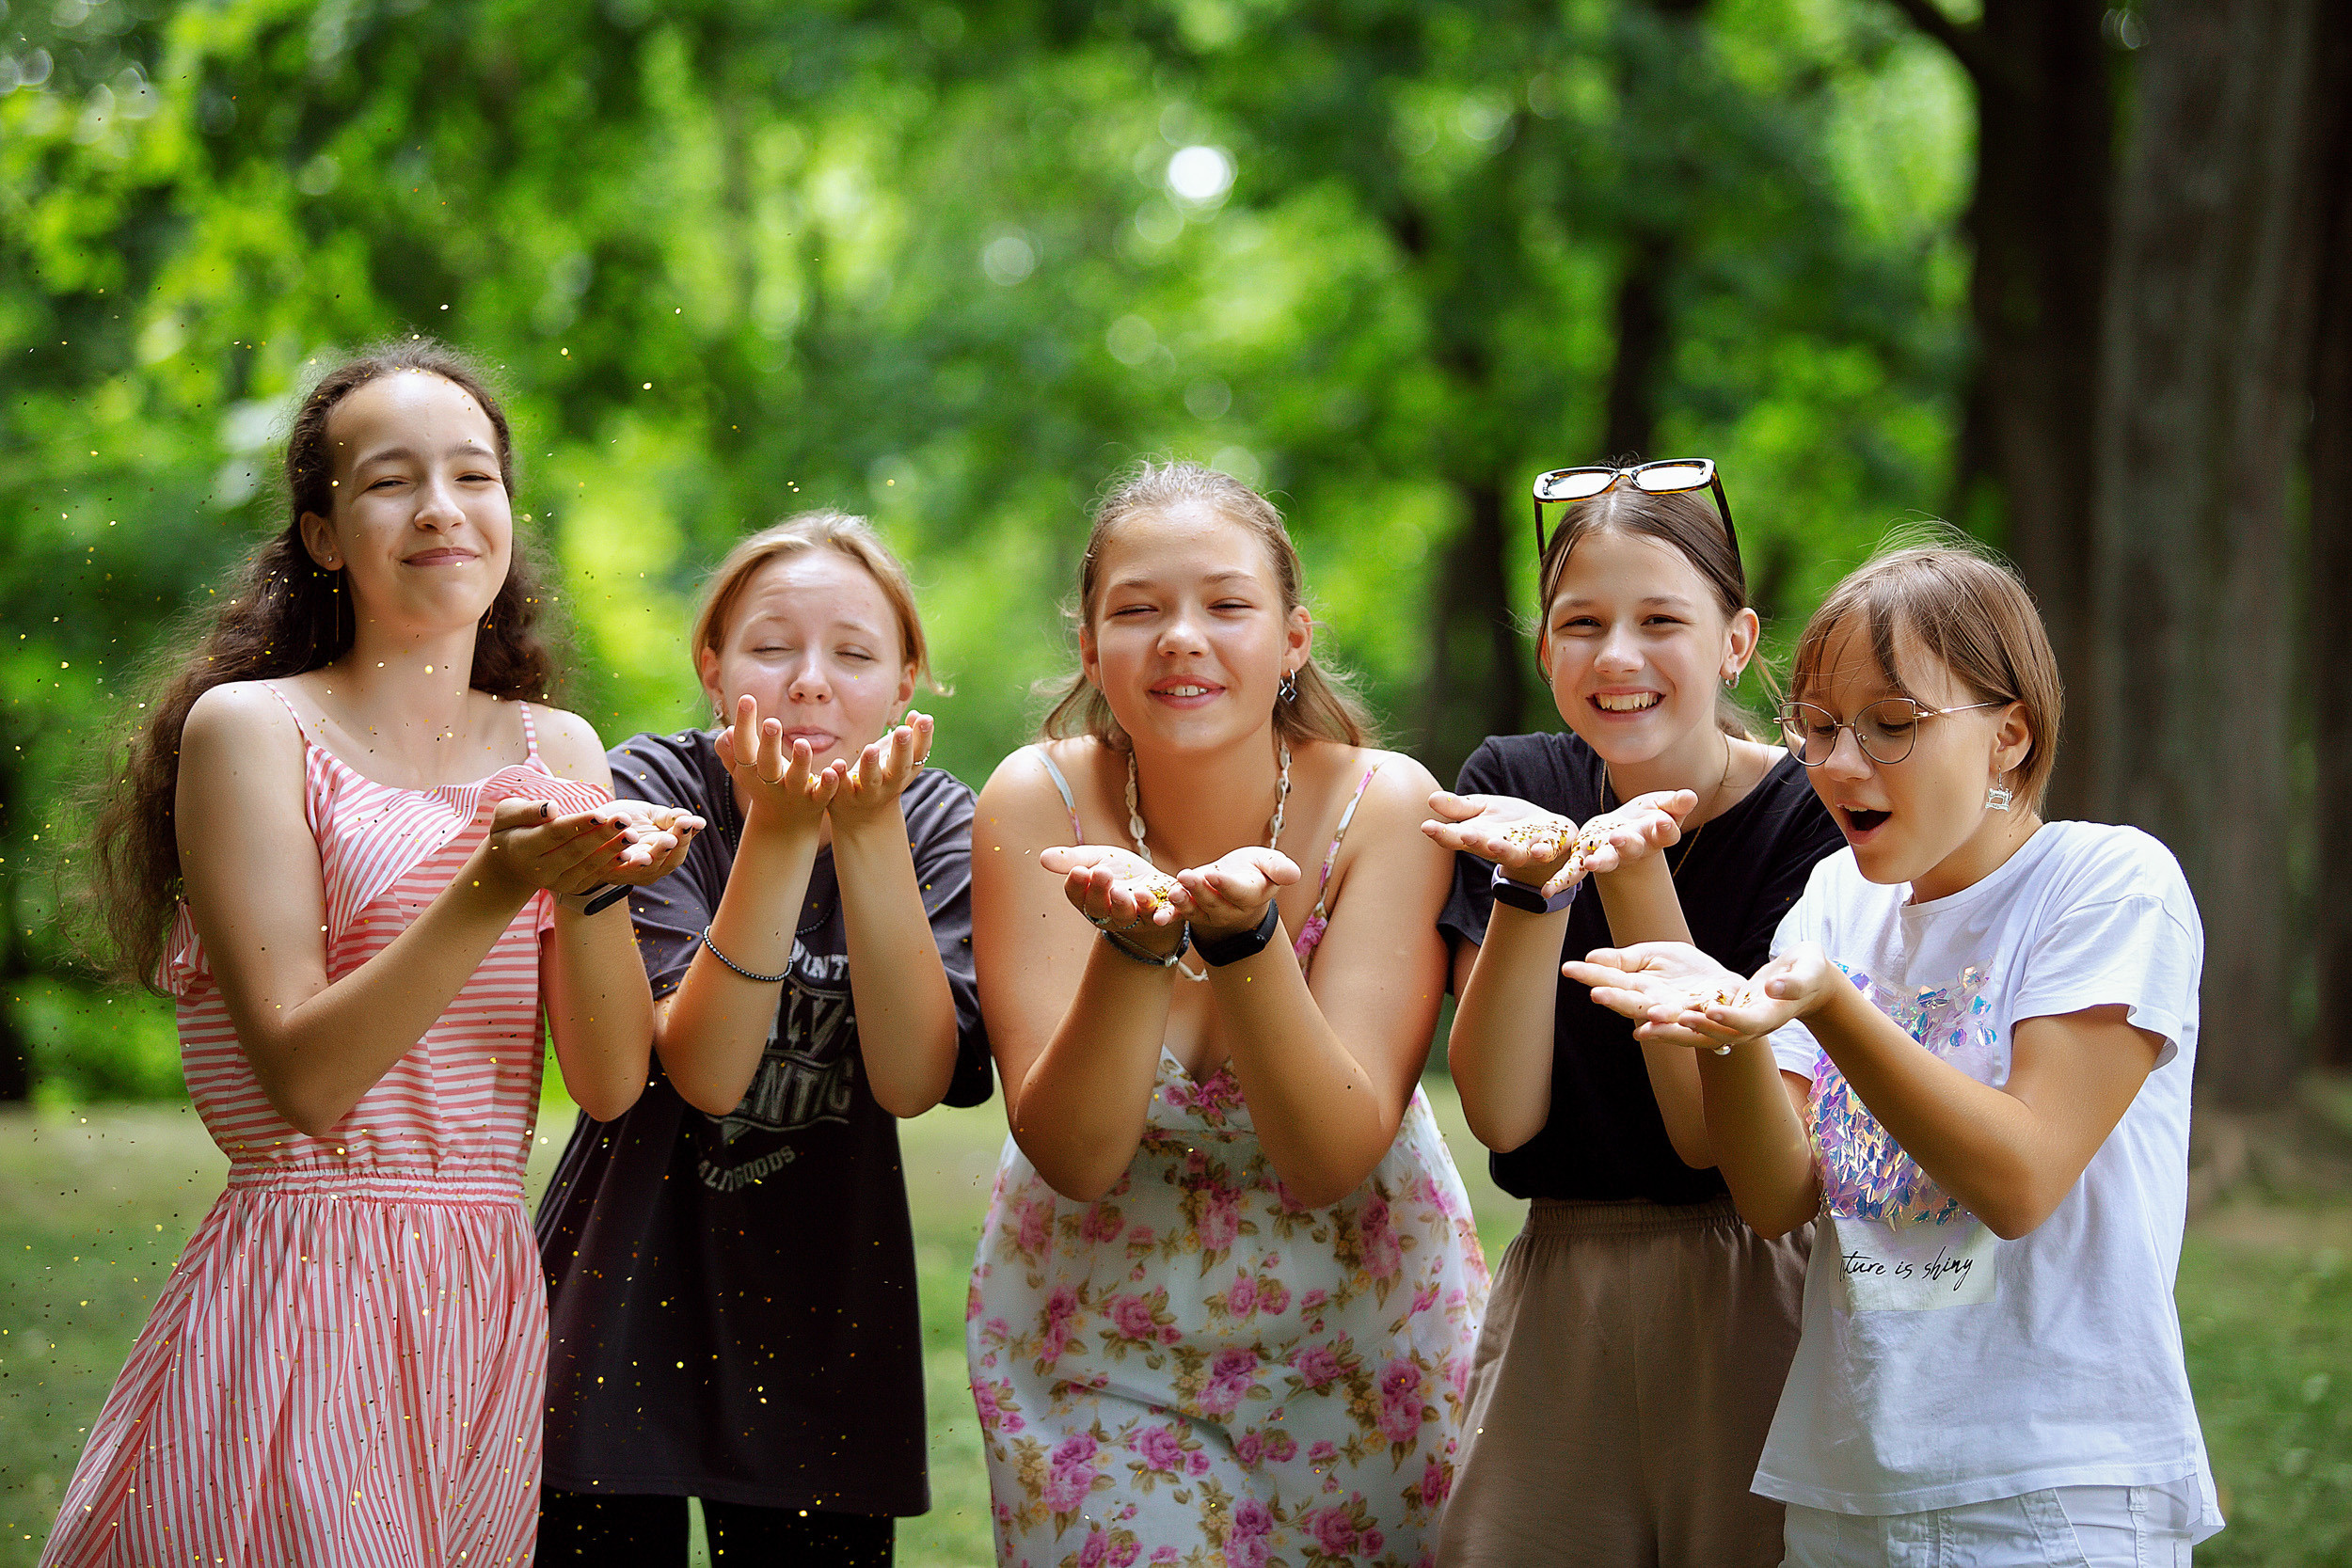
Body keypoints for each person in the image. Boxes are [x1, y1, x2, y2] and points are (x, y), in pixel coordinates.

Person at [48, 341, 695, 1568]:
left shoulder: (562, 750)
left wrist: (595, 883)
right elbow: (304, 1074)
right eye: (392, 481)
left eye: (474, 475)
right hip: (304, 1282)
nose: (442, 508)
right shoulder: (254, 730)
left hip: (482, 1293)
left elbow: (610, 1081)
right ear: (323, 535)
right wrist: (495, 878)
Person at [1571, 537, 2222, 1564]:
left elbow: (2020, 1177)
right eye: (1819, 726)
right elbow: (1776, 1195)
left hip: (2054, 1486)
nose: (1837, 762)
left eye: (1892, 724)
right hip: (1849, 1479)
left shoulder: (2106, 882)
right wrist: (1725, 1031)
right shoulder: (1834, 898)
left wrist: (1828, 1006)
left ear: (2009, 735)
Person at [964, 460, 1487, 1568]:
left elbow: (1330, 1153)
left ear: (1294, 637)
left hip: (1365, 1338)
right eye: (1137, 609)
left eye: (1226, 604)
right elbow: (1072, 1152)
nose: (1180, 638)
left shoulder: (1383, 801)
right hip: (1099, 1339)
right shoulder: (1033, 798)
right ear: (1088, 646)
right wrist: (1138, 944)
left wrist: (1245, 942)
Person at [535, 512, 992, 1565]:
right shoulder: (652, 789)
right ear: (713, 663)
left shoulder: (934, 824)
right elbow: (702, 1068)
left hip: (828, 1313)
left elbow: (917, 1075)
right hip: (620, 1301)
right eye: (772, 646)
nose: (811, 681)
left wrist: (863, 834)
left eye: (855, 653)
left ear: (907, 678)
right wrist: (783, 835)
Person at [1421, 460, 1845, 1566]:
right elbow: (1503, 1115)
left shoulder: (1811, 819)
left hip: (1761, 1278)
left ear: (1735, 640)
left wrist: (1632, 868)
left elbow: (1710, 1134)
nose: (1617, 656)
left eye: (1661, 619)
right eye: (1580, 622)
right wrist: (1531, 888)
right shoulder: (1513, 779)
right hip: (1565, 1275)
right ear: (1544, 646)